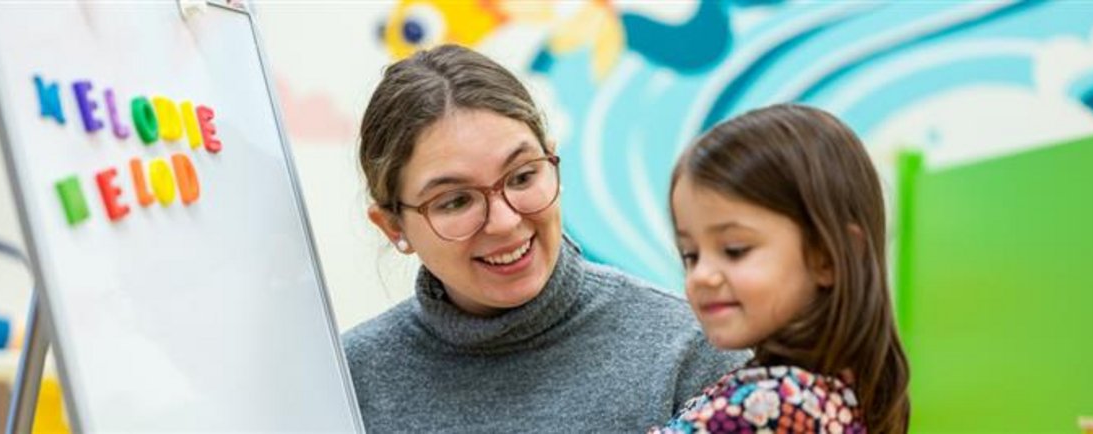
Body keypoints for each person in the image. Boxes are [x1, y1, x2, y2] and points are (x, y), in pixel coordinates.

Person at [344, 44, 749, 433]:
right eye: (455, 201)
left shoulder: (691, 350)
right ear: (393, 226)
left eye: (523, 177)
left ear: (553, 161)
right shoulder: (347, 383)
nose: (503, 222)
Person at [654, 103, 910, 433]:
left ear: (827, 258)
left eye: (735, 250)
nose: (702, 275)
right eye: (691, 255)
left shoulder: (769, 407)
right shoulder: (833, 393)